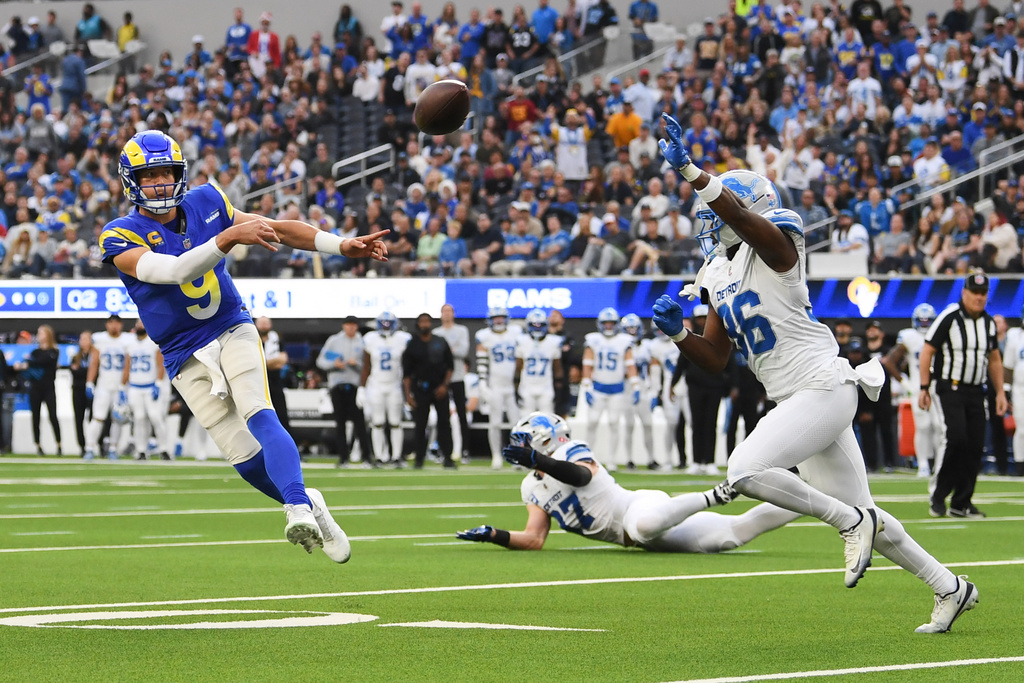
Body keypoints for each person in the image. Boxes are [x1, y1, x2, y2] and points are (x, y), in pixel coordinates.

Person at [651, 114, 978, 633]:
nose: (707, 225)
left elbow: (746, 223)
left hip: (823, 384)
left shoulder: (780, 237)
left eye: (716, 214)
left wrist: (692, 169)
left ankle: (849, 523)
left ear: (745, 207)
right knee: (867, 513)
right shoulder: (717, 271)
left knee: (744, 470)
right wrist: (677, 334)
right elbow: (715, 357)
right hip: (796, 400)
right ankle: (950, 587)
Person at [101, 130, 387, 563]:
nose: (160, 183)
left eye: (167, 173)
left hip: (229, 325)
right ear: (131, 180)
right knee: (243, 456)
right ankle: (307, 502)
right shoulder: (119, 234)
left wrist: (339, 245)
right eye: (150, 175)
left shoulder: (206, 201)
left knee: (258, 411)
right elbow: (175, 271)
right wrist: (226, 239)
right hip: (181, 352)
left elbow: (276, 230)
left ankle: (295, 505)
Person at [457, 412, 798, 552]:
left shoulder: (571, 453)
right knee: (731, 535)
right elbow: (534, 538)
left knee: (645, 524)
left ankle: (716, 494)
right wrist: (494, 535)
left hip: (637, 507)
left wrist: (538, 460)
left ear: (544, 441)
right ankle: (819, 495)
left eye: (525, 441)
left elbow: (580, 476)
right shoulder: (531, 486)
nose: (520, 448)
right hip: (636, 538)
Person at [919, 272, 1006, 519]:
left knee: (975, 444)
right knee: (955, 438)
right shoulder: (949, 317)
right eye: (975, 293)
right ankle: (938, 496)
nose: (979, 298)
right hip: (949, 387)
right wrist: (924, 387)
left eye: (983, 293)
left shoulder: (989, 323)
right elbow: (927, 351)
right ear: (964, 293)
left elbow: (995, 359)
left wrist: (1000, 392)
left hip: (977, 390)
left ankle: (961, 502)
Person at [882, 304, 940, 477]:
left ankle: (938, 464)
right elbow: (889, 362)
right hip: (917, 386)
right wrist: (905, 383)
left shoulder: (940, 335)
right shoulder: (909, 337)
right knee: (923, 426)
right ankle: (923, 465)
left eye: (927, 321)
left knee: (938, 426)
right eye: (921, 321)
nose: (924, 325)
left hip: (937, 387)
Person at [581, 307, 639, 470]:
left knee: (614, 423)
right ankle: (588, 457)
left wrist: (635, 386)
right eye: (605, 323)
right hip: (598, 388)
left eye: (611, 323)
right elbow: (587, 363)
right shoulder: (593, 340)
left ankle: (611, 459)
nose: (608, 327)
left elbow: (630, 364)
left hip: (617, 390)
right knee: (592, 422)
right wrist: (586, 386)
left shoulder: (623, 340)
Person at [317, 315, 371, 467]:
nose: (351, 328)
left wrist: (357, 364)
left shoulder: (362, 342)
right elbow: (320, 361)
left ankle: (367, 457)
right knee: (339, 423)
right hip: (337, 385)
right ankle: (343, 458)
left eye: (353, 325)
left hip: (355, 386)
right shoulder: (334, 341)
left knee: (360, 423)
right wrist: (334, 364)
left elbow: (368, 365)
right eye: (348, 325)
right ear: (343, 326)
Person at [403, 313, 455, 469]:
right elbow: (407, 373)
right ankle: (419, 458)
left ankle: (447, 457)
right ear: (418, 324)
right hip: (421, 389)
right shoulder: (412, 344)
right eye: (422, 322)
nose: (425, 324)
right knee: (420, 425)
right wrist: (408, 395)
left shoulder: (440, 341)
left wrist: (445, 386)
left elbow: (450, 366)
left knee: (444, 423)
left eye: (427, 321)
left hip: (439, 388)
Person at [475, 306, 523, 468]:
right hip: (495, 384)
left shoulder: (516, 333)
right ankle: (496, 455)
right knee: (494, 423)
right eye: (496, 318)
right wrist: (482, 382)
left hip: (511, 386)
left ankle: (517, 455)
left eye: (501, 317)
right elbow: (481, 361)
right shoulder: (485, 337)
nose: (499, 321)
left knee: (516, 423)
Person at [121, 319, 170, 461]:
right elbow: (127, 367)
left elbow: (161, 364)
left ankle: (164, 449)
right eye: (138, 323)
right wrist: (121, 387)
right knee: (138, 418)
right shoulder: (130, 344)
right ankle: (141, 450)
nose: (139, 325)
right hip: (135, 386)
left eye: (142, 323)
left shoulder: (153, 342)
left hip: (150, 386)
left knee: (155, 417)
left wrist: (159, 383)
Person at [14, 325, 63, 457]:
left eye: (42, 333)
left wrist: (29, 364)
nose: (39, 335)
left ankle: (59, 444)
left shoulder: (53, 351)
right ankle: (38, 445)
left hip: (48, 387)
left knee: (53, 415)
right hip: (35, 388)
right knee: (36, 417)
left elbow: (44, 362)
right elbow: (30, 365)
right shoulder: (35, 352)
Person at [85, 313, 128, 460]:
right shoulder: (100, 339)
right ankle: (89, 447)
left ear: (121, 325)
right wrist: (90, 382)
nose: (114, 325)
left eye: (116, 322)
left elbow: (128, 365)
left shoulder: (127, 340)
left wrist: (124, 385)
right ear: (107, 324)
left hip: (119, 387)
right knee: (98, 417)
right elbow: (94, 363)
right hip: (103, 385)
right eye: (111, 322)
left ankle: (113, 449)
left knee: (117, 419)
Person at [620, 313, 658, 470]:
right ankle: (629, 459)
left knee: (648, 424)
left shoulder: (647, 346)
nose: (632, 332)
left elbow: (654, 368)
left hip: (643, 389)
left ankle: (651, 458)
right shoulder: (619, 345)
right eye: (628, 329)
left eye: (634, 328)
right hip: (627, 390)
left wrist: (655, 391)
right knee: (629, 425)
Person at [433, 304, 471, 460]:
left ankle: (465, 450)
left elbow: (463, 351)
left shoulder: (461, 330)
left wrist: (446, 352)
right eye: (444, 311)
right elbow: (435, 355)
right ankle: (444, 449)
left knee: (462, 415)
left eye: (450, 311)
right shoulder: (437, 333)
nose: (447, 314)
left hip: (457, 377)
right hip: (441, 379)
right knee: (442, 416)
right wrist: (450, 352)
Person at [514, 309, 563, 414]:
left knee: (547, 419)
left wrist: (559, 390)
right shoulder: (522, 341)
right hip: (527, 386)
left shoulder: (553, 341)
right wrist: (516, 387)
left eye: (540, 325)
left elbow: (557, 368)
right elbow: (518, 367)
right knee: (525, 420)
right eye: (534, 325)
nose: (537, 328)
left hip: (546, 387)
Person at [255, 316, 293, 441]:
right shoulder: (251, 339)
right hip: (256, 384)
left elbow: (282, 361)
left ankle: (288, 447)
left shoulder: (277, 340)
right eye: (261, 323)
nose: (264, 326)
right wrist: (272, 362)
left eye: (266, 323)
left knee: (282, 417)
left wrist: (263, 363)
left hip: (275, 384)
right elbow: (253, 363)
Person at [69, 330, 98, 456]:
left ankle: (97, 444)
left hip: (92, 390)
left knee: (95, 418)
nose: (83, 341)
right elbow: (74, 372)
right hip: (78, 390)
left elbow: (94, 371)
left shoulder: (95, 355)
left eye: (86, 338)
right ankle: (82, 446)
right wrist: (85, 372)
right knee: (79, 418)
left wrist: (83, 371)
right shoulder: (76, 356)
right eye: (82, 339)